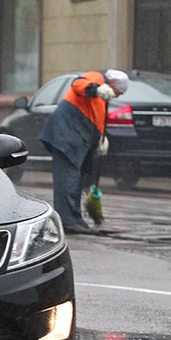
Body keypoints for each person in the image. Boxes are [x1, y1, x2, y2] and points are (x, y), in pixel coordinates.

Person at [39, 69, 129, 234]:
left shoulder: (104, 98)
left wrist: (101, 139)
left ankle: (75, 219)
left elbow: (95, 117)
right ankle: (67, 221)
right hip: (66, 135)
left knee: (77, 180)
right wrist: (97, 88)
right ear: (113, 83)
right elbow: (78, 84)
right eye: (119, 92)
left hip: (77, 138)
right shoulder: (97, 78)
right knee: (68, 179)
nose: (118, 96)